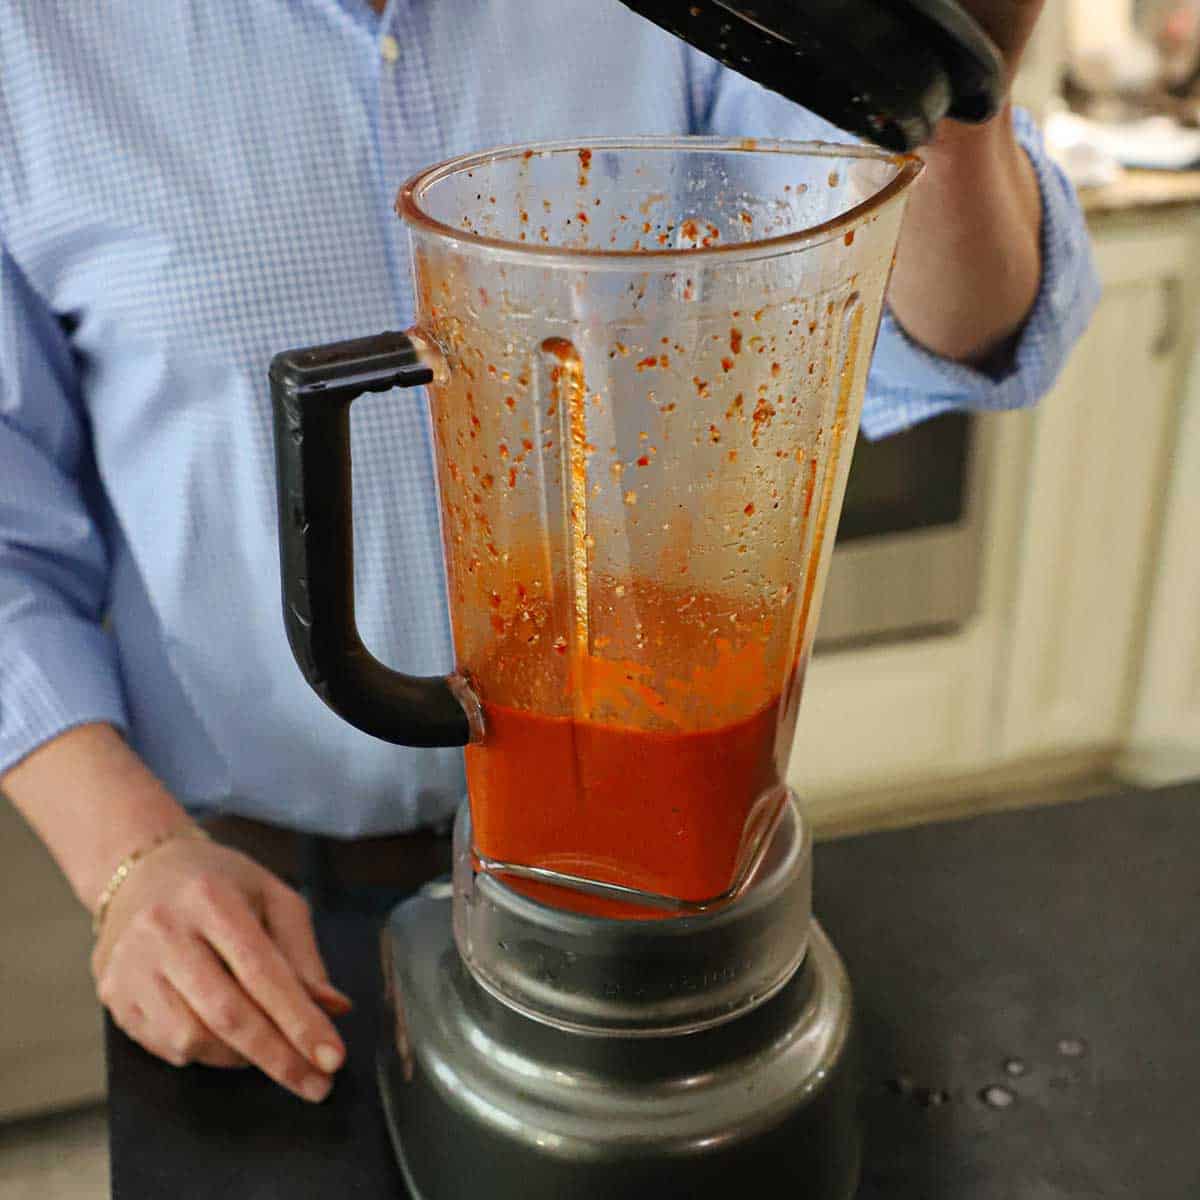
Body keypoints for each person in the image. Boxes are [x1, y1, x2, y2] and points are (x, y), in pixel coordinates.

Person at [0, 0, 1097, 1105]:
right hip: (260, 896)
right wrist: (131, 860)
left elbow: (930, 308)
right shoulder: (34, 43)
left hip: (669, 847)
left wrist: (953, 79)